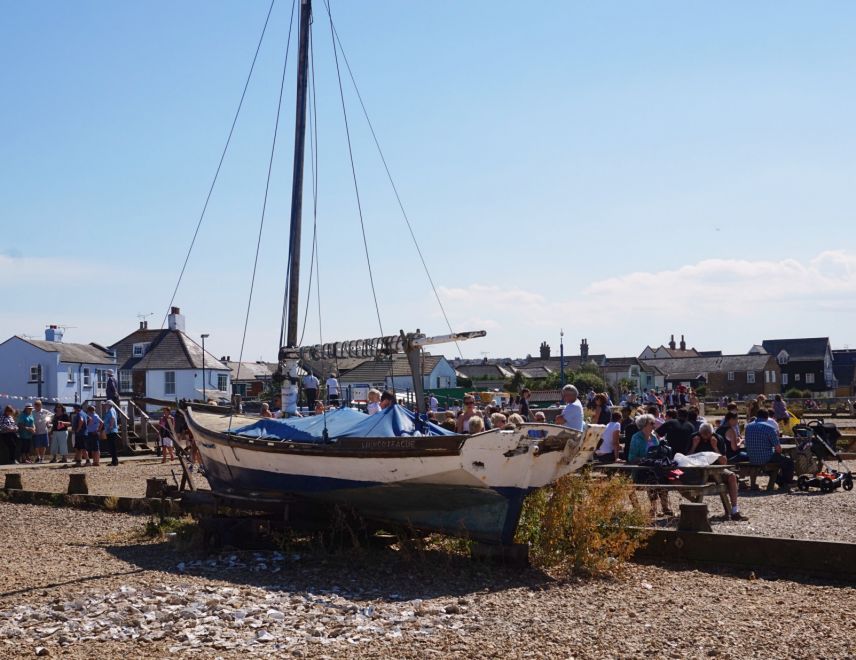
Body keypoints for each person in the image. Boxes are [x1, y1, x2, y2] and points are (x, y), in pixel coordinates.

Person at [627, 413, 672, 517]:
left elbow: (658, 452)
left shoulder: (654, 437)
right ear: (644, 424)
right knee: (652, 478)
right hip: (641, 470)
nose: (654, 425)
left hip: (653, 467)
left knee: (663, 476)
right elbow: (632, 457)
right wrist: (645, 460)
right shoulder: (636, 437)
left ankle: (665, 506)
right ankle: (653, 508)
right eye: (651, 423)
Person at [745, 408, 794, 491]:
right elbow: (778, 449)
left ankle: (781, 482)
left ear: (757, 416)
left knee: (771, 467)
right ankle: (786, 483)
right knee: (788, 462)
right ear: (767, 417)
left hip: (751, 457)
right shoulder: (770, 428)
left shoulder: (748, 427)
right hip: (766, 457)